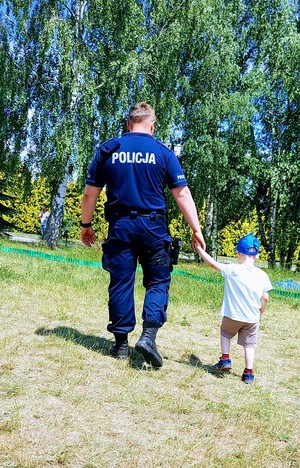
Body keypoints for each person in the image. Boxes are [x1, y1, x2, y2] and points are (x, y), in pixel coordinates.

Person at [81, 102, 205, 368]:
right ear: (152, 124)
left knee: (121, 283)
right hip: (153, 228)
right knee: (158, 282)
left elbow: (91, 192)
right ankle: (148, 336)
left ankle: (121, 346)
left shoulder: (108, 150)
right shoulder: (163, 153)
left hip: (120, 226)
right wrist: (196, 229)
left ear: (129, 123)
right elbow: (181, 194)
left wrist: (86, 224)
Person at [194, 232, 272, 384]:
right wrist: (261, 311)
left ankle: (225, 358)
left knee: (225, 332)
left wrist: (200, 250)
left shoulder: (232, 270)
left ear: (238, 253)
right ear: (257, 256)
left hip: (232, 315)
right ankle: (248, 373)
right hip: (252, 318)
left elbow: (212, 264)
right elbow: (265, 297)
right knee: (249, 344)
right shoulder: (263, 275)